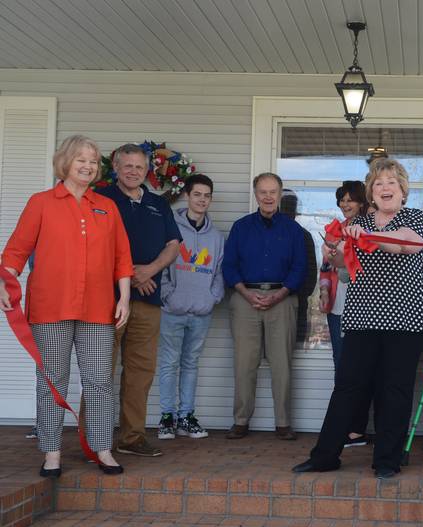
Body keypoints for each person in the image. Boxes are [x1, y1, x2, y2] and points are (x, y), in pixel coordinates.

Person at [292, 158, 423, 479]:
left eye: (391, 183)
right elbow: (344, 263)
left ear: (402, 190)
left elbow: (406, 246)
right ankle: (325, 456)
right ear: (371, 192)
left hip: (405, 319)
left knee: (395, 389)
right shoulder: (357, 223)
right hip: (362, 317)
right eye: (378, 183)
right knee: (347, 387)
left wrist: (367, 238)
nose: (385, 188)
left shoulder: (415, 218)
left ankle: (387, 460)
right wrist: (337, 250)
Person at [1, 134, 132, 475]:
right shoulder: (41, 203)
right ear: (65, 163)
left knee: (100, 382)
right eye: (81, 160)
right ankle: (52, 453)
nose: (88, 166)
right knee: (52, 383)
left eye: (93, 160)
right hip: (50, 308)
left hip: (98, 310)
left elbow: (122, 258)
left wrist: (125, 298)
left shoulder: (107, 206)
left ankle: (103, 449)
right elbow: (16, 251)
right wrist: (5, 280)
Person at [96, 143, 181, 458]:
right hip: (108, 299)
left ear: (148, 170)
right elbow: (93, 244)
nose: (133, 171)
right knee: (100, 370)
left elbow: (173, 245)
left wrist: (151, 270)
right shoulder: (101, 199)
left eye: (139, 167)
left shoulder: (158, 203)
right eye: (127, 166)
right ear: (116, 167)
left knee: (140, 371)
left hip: (148, 300)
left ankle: (131, 438)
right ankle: (96, 438)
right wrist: (132, 275)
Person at [222, 172, 307, 441]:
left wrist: (280, 293)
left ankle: (283, 423)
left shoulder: (294, 230)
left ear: (280, 195)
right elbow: (229, 266)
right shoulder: (241, 227)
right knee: (244, 363)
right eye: (263, 192)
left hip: (282, 298)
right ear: (255, 195)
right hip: (245, 298)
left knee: (281, 364)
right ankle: (240, 421)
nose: (268, 196)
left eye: (273, 191)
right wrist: (247, 294)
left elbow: (300, 267)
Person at [156, 174, 225, 441]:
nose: (202, 200)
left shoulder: (216, 237)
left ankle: (186, 417)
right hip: (172, 310)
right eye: (197, 194)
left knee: (190, 364)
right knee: (168, 364)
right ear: (187, 195)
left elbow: (219, 271)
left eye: (207, 195)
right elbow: (159, 262)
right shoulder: (170, 227)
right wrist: (167, 294)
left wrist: (212, 298)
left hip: (200, 312)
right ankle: (166, 418)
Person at [319, 181, 370, 447]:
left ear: (362, 202)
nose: (346, 204)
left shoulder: (369, 230)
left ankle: (357, 428)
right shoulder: (332, 230)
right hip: (338, 307)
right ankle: (343, 426)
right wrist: (324, 291)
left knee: (363, 368)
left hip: (364, 308)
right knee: (342, 367)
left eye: (351, 199)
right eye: (342, 200)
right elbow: (326, 267)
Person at [280, 190, 317, 343]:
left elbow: (311, 274)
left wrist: (297, 296)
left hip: (297, 302)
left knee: (295, 344)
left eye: (291, 209)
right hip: (268, 301)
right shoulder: (266, 234)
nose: (289, 213)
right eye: (286, 209)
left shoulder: (304, 236)